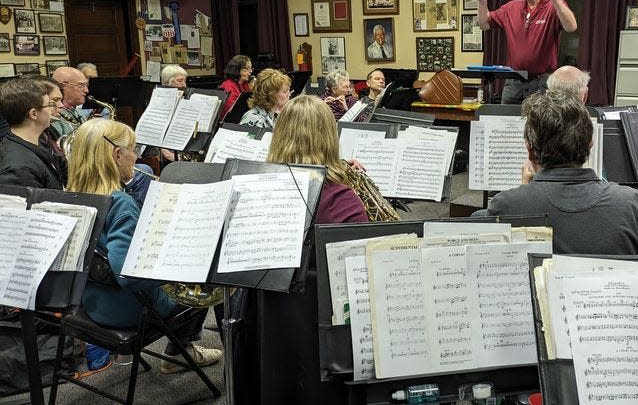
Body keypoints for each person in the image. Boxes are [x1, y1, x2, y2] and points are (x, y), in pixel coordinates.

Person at [234, 95, 368, 404]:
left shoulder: (256, 191)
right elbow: (355, 280)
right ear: (330, 137)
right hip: (324, 340)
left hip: (265, 335)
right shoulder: (343, 201)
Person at [68, 118, 222, 373]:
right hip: (129, 310)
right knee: (205, 282)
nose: (135, 156)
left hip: (90, 303)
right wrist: (180, 266)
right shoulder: (121, 205)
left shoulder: (73, 196)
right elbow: (129, 276)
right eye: (134, 149)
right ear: (117, 155)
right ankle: (181, 352)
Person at [479, 91, 638, 255]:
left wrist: (523, 192)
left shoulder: (506, 205)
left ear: (530, 151)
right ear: (590, 143)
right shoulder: (635, 204)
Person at [469, 0, 577, 104]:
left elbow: (571, 27)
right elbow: (484, 24)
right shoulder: (511, 8)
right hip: (514, 81)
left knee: (538, 124)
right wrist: (482, 2)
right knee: (504, 123)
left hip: (542, 83)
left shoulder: (553, 7)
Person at [0, 77, 64, 189]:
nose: (51, 110)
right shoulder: (19, 169)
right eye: (49, 105)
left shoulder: (33, 145)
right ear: (34, 114)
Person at [51, 66, 90, 138]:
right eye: (81, 85)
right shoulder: (54, 115)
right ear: (61, 86)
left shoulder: (76, 111)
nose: (86, 90)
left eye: (86, 85)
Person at [219, 55, 253, 119]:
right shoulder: (227, 86)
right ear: (236, 69)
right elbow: (233, 111)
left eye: (251, 68)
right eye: (246, 68)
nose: (250, 71)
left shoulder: (246, 84)